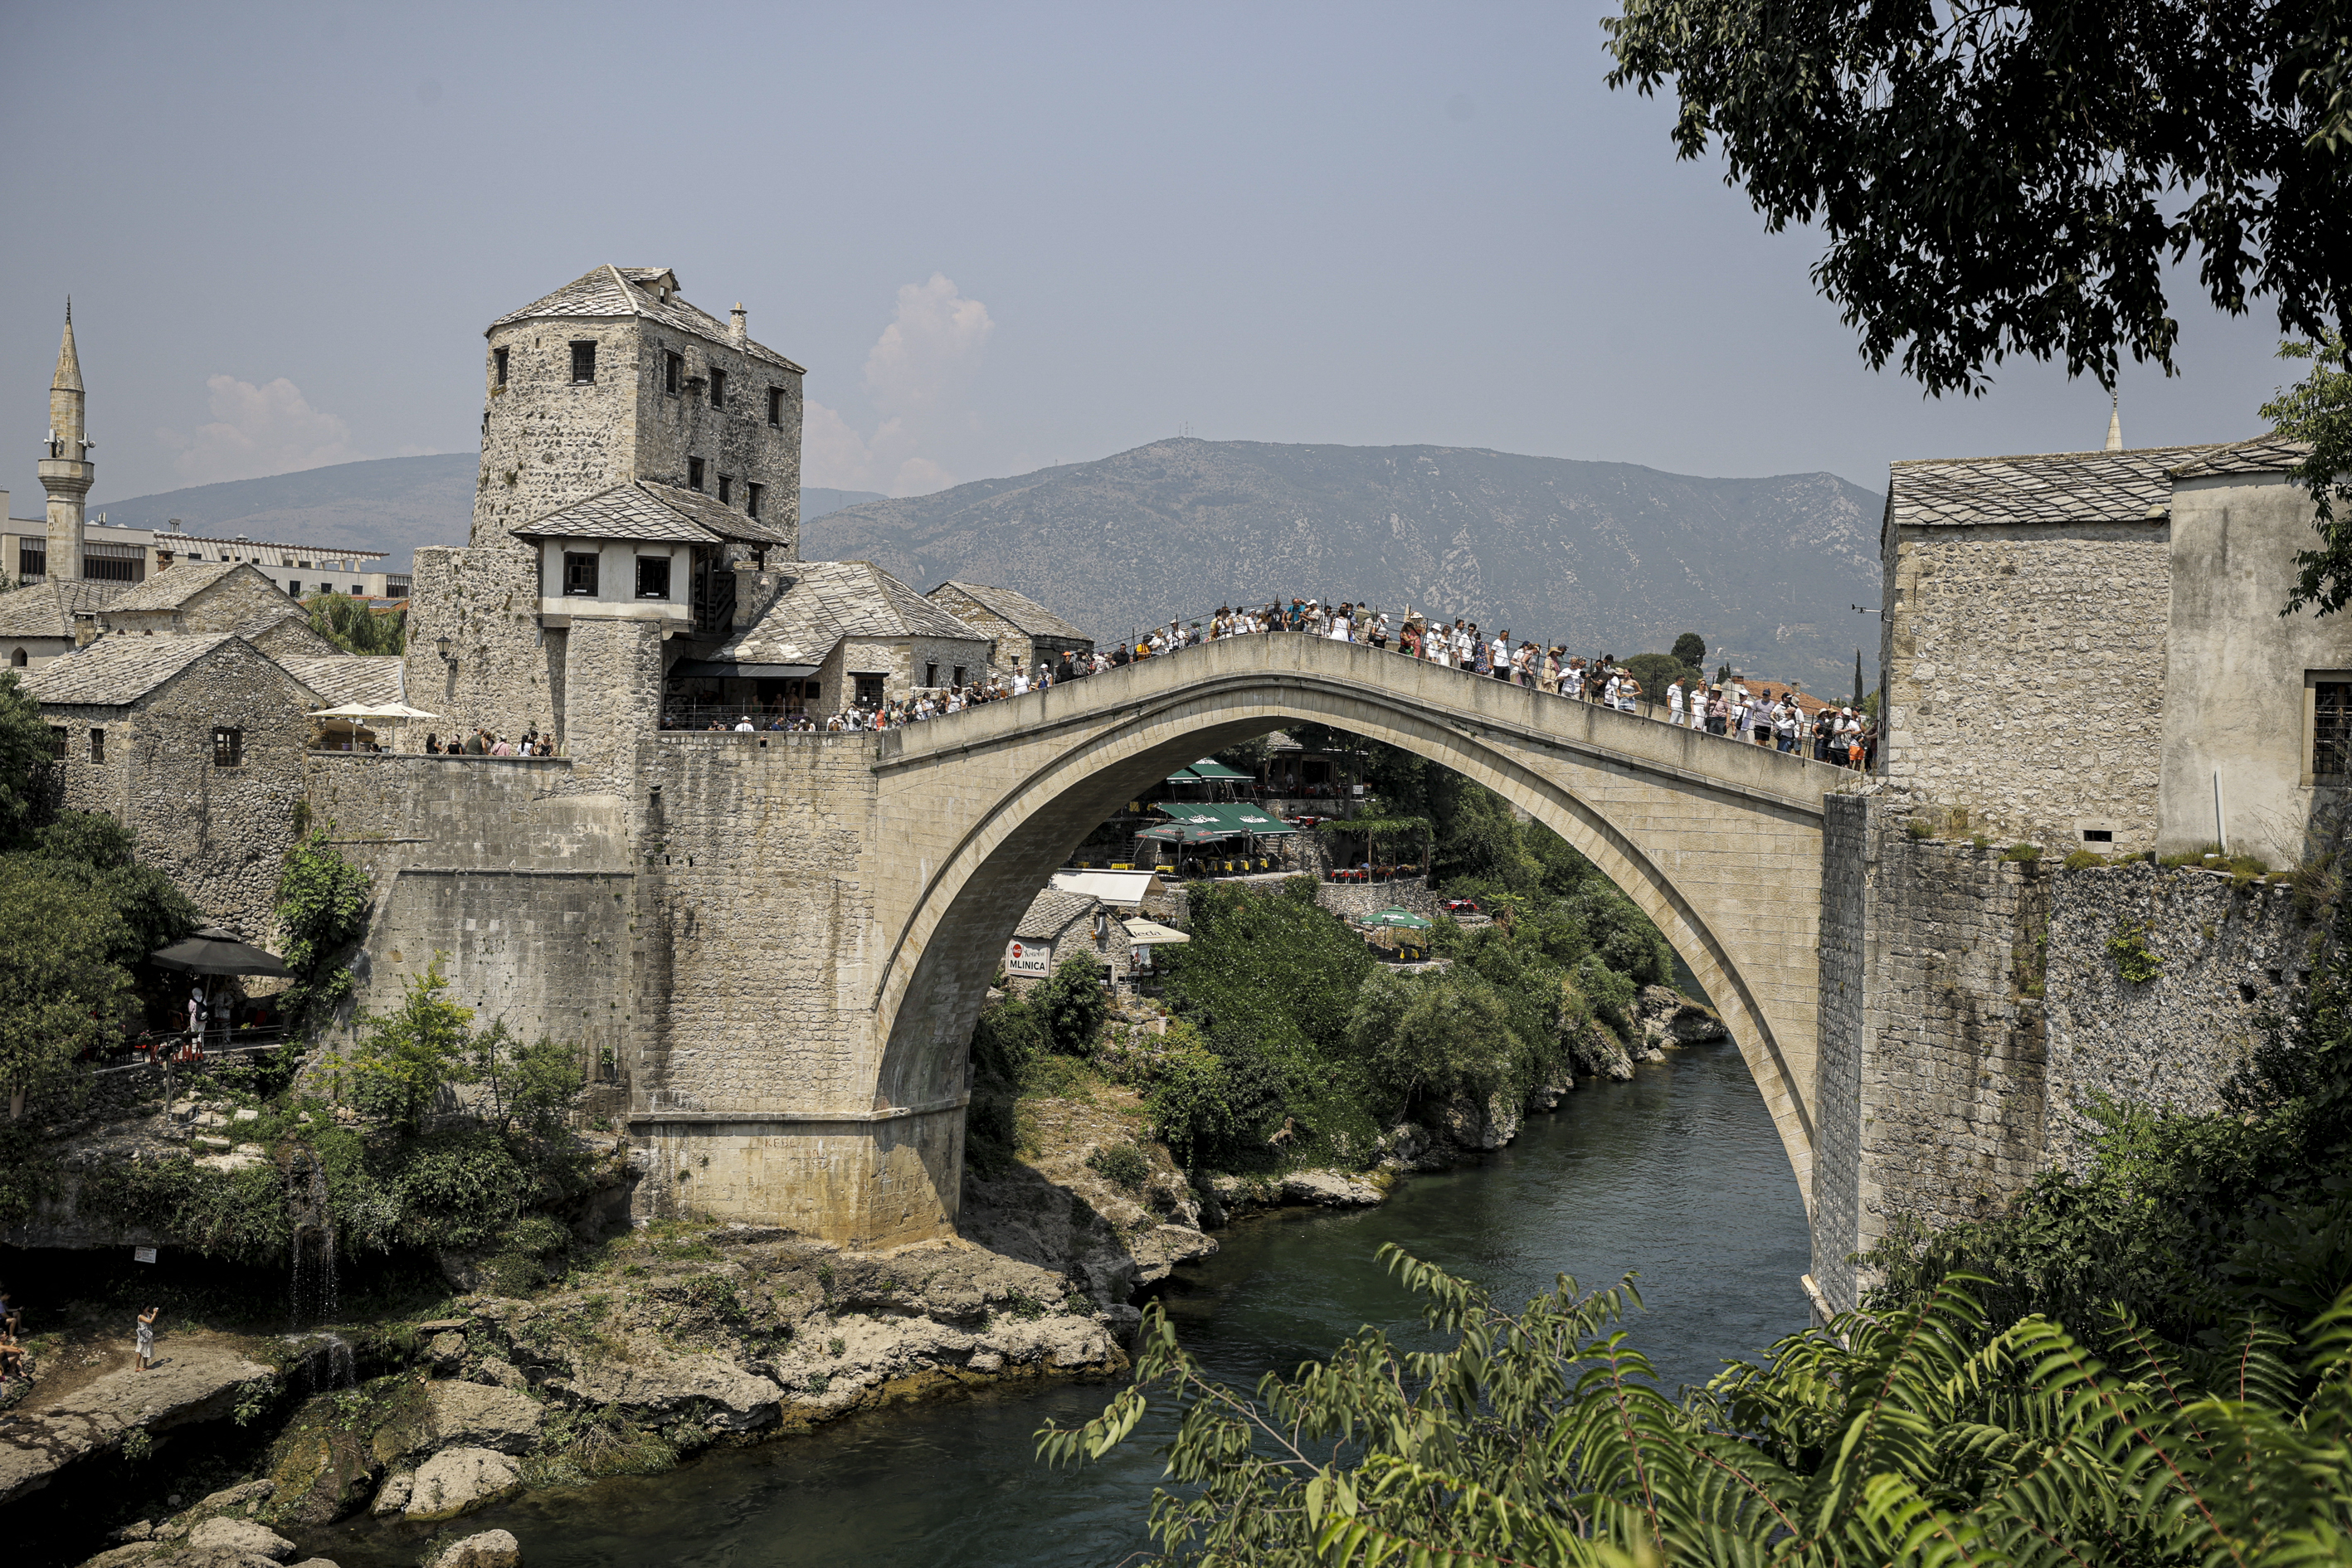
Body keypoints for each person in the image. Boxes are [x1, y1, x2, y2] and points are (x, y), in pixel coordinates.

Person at [135, 1305, 158, 1371]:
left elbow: (153, 1317)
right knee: (140, 1350)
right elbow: (150, 1321)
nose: (148, 1308)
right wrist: (154, 1313)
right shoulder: (140, 1316)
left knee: (147, 1349)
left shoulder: (147, 1314)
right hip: (143, 1335)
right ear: (143, 1309)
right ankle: (137, 1367)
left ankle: (145, 1365)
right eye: (147, 1307)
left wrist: (155, 1313)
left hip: (148, 1334)